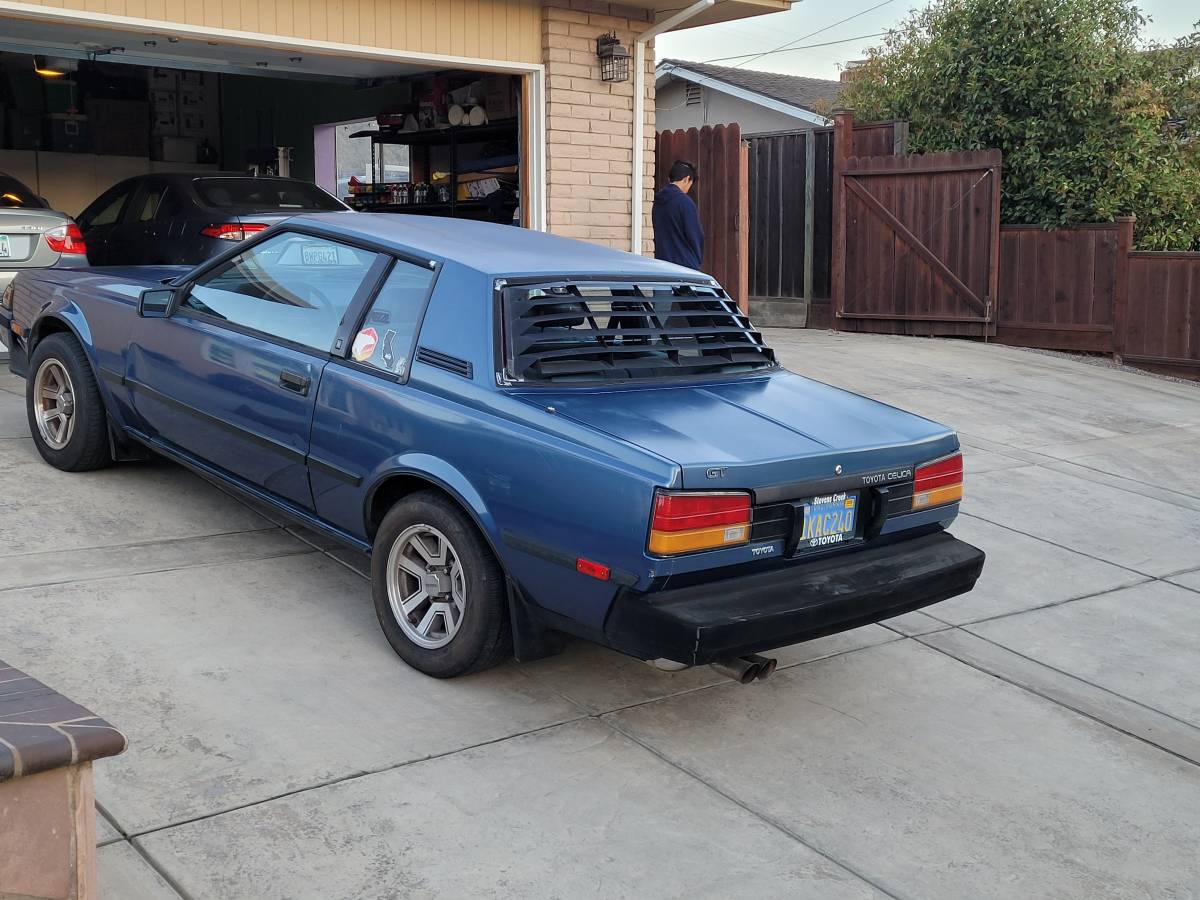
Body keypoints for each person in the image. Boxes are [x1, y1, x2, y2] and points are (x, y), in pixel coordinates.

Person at [652, 160, 704, 270]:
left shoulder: (658, 202)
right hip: (684, 266)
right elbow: (695, 236)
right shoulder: (685, 202)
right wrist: (696, 260)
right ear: (687, 179)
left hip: (662, 264)